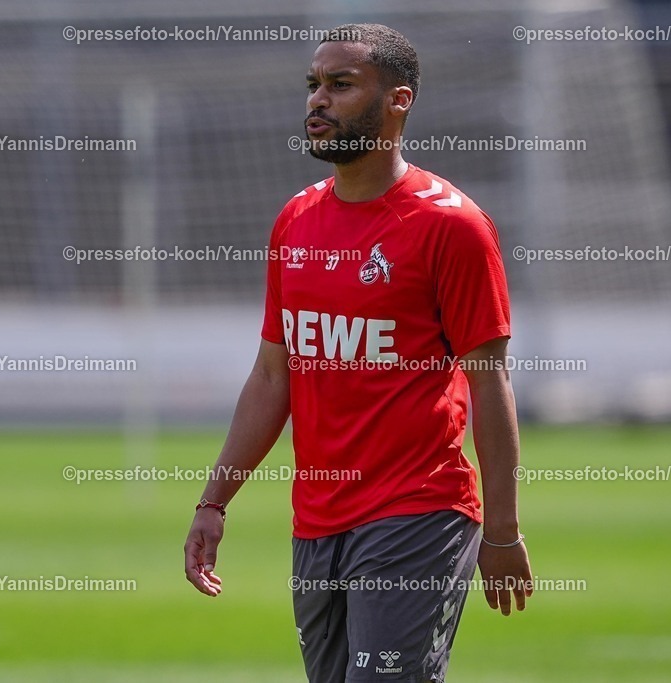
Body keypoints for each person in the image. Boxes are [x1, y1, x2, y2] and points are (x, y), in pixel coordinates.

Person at [184, 23, 532, 682]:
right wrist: (213, 502)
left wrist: (503, 532)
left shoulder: (451, 226)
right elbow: (271, 375)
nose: (318, 101)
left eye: (341, 85)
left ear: (398, 100)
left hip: (416, 513)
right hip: (317, 522)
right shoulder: (295, 220)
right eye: (314, 85)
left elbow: (491, 384)